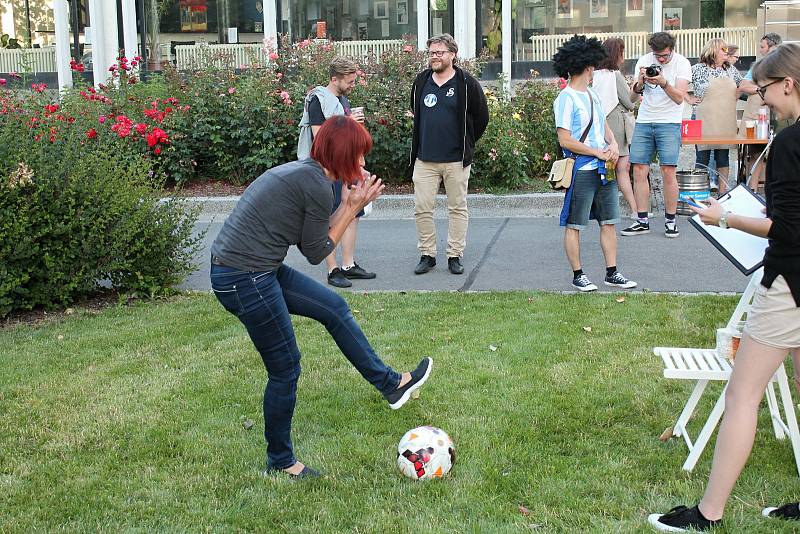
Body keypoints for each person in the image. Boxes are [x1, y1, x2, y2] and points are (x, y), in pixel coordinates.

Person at [212, 116, 433, 478]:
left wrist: (346, 204)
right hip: (243, 277)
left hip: (254, 270)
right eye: (358, 156)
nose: (363, 164)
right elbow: (318, 253)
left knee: (333, 306)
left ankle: (391, 384)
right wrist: (350, 207)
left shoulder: (312, 175)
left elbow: (311, 237)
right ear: (341, 154)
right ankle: (281, 461)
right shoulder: (314, 183)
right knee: (285, 368)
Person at [647, 42, 800, 532]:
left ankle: (707, 514)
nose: (761, 100)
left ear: (788, 84)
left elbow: (789, 228)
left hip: (790, 284)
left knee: (740, 396)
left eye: (765, 90)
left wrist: (726, 216)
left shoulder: (792, 143)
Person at [552, 35, 637, 292]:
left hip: (603, 168)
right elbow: (565, 139)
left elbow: (603, 127)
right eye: (592, 68)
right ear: (587, 67)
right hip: (581, 169)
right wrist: (597, 152)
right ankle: (578, 275)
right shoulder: (566, 98)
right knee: (574, 224)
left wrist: (611, 145)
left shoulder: (591, 94)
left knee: (609, 221)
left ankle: (612, 272)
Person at [408, 33, 489, 276]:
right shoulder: (421, 81)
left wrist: (467, 142)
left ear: (452, 55)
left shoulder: (466, 83)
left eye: (439, 52)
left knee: (457, 208)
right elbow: (416, 109)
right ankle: (427, 254)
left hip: (456, 159)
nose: (434, 56)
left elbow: (481, 116)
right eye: (431, 52)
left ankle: (454, 255)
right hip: (425, 159)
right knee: (422, 208)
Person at [297, 56, 375, 289]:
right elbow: (320, 135)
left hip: (346, 163)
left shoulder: (342, 99)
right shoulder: (317, 100)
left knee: (353, 212)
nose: (352, 85)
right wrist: (348, 120)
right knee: (328, 215)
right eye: (349, 82)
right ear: (334, 79)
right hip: (326, 167)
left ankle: (349, 265)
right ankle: (333, 269)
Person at [622, 31, 691, 238]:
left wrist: (663, 83)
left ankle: (670, 220)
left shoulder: (682, 63)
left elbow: (680, 98)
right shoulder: (644, 61)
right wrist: (640, 83)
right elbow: (632, 98)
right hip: (644, 120)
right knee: (639, 170)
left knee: (668, 171)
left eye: (664, 56)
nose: (660, 59)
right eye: (657, 55)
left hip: (669, 122)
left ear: (672, 50)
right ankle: (642, 220)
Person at [689, 38, 746, 195]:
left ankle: (723, 193)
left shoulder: (730, 70)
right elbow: (679, 86)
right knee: (702, 158)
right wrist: (688, 98)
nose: (726, 53)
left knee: (723, 158)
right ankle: (699, 193)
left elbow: (742, 85)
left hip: (724, 119)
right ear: (713, 50)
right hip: (702, 118)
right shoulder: (696, 69)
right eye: (723, 50)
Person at [594, 37, 637, 217]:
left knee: (607, 167)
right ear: (616, 53)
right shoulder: (615, 75)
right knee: (622, 169)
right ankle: (636, 211)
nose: (623, 56)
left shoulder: (596, 75)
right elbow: (629, 102)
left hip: (601, 124)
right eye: (622, 51)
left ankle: (605, 209)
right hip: (617, 125)